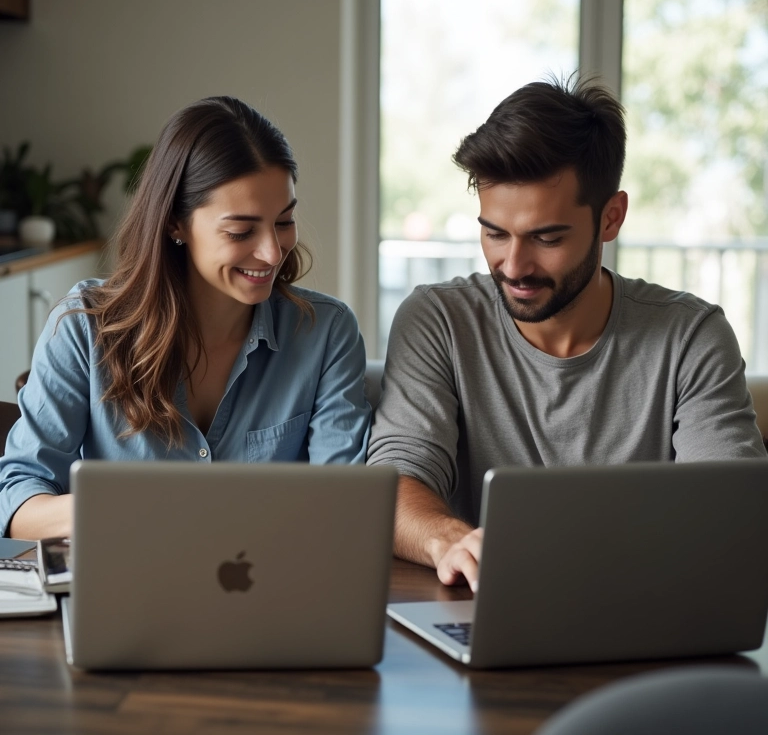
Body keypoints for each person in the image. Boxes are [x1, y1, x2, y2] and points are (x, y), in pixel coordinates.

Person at [367, 75, 767, 592]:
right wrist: (448, 539)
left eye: (546, 237)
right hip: (483, 608)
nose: (513, 265)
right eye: (494, 233)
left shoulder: (691, 335)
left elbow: (730, 510)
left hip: (645, 615)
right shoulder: (438, 319)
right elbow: (399, 480)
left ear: (611, 218)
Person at [0, 96, 370, 539]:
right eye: (241, 231)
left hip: (273, 595)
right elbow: (18, 499)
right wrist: (127, 507)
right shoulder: (84, 328)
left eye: (284, 222)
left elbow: (345, 506)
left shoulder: (326, 333)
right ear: (175, 223)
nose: (272, 252)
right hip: (125, 596)